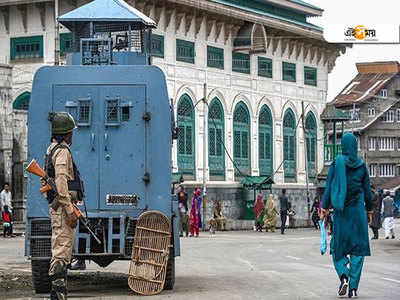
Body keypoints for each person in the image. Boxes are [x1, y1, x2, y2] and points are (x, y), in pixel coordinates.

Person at [321, 132, 373, 298]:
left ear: (342, 146)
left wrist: (324, 207)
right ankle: (353, 288)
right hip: (358, 213)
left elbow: (328, 187)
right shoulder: (362, 165)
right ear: (355, 146)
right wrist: (370, 210)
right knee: (358, 250)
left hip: (341, 212)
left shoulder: (336, 164)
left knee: (337, 248)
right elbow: (367, 191)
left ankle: (344, 276)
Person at [43, 112, 85, 300]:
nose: (72, 136)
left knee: (62, 251)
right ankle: (58, 296)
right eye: (71, 132)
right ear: (66, 134)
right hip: (62, 209)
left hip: (60, 207)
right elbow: (61, 181)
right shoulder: (62, 151)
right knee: (61, 253)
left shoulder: (52, 148)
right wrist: (70, 211)